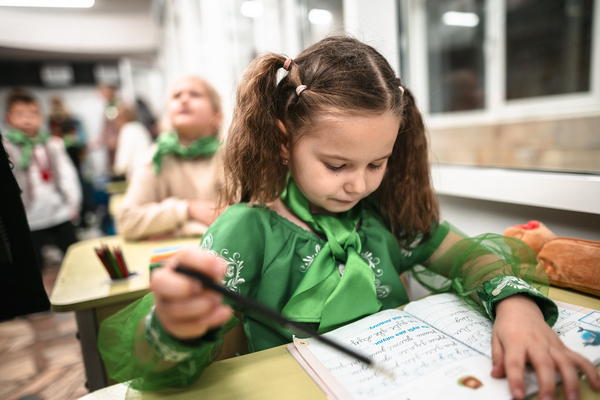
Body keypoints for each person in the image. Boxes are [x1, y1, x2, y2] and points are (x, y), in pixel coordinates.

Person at [99, 37, 600, 399]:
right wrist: (175, 328)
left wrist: (518, 307)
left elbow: (474, 256)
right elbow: (165, 372)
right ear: (282, 140)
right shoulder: (245, 230)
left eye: (376, 164)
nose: (358, 185)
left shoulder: (385, 216)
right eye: (336, 165)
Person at [114, 76, 224, 240]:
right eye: (176, 96)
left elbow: (246, 220)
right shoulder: (158, 155)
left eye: (195, 94)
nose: (184, 99)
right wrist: (188, 209)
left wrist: (174, 230)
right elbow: (126, 221)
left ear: (217, 115)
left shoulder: (235, 153)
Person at [2, 89, 81, 269]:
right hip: (29, 217)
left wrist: (73, 204)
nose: (27, 119)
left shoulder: (53, 143)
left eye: (33, 114)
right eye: (20, 114)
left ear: (41, 117)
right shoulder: (7, 146)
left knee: (76, 257)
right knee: (33, 264)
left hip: (58, 211)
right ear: (9, 118)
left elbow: (68, 175)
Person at [112, 102, 153, 180]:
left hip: (137, 175)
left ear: (121, 118)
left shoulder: (127, 130)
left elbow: (123, 162)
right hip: (149, 172)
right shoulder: (140, 127)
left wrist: (117, 170)